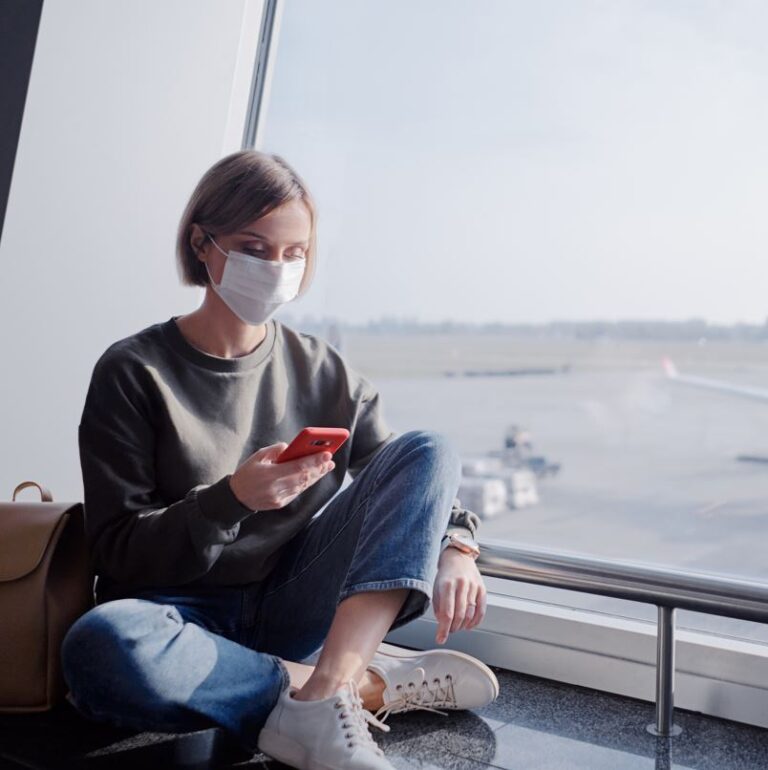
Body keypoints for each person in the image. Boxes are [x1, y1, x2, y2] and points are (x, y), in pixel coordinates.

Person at [60, 150, 498, 770]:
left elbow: (411, 477)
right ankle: (345, 689)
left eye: (295, 253)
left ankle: (323, 688)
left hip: (289, 604)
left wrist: (458, 546)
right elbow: (118, 551)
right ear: (203, 245)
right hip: (173, 618)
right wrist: (231, 499)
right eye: (255, 248)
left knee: (431, 446)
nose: (277, 268)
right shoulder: (133, 371)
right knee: (101, 646)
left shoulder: (325, 370)